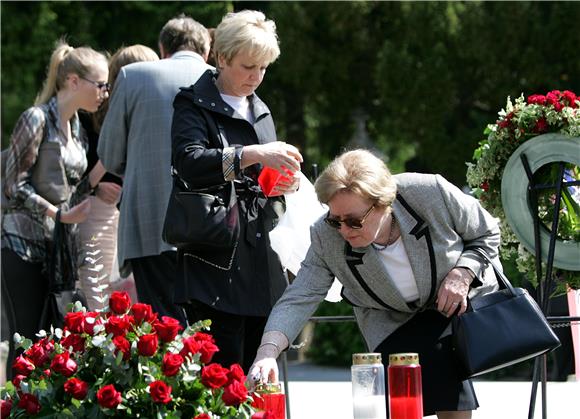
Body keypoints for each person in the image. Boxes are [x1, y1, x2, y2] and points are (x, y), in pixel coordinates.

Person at [249, 149, 502, 419]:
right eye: (335, 220)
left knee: (442, 356)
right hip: (392, 322)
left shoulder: (429, 192)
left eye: (354, 221)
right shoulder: (325, 235)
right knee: (409, 374)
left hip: (457, 308)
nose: (344, 230)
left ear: (383, 203)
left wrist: (463, 273)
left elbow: (486, 232)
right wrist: (267, 352)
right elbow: (300, 295)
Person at [171, 9, 303, 372]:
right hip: (214, 260)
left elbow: (262, 186)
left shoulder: (261, 110)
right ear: (222, 57)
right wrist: (254, 154)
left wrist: (282, 184)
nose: (256, 77)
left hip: (261, 264)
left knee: (260, 381)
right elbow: (189, 163)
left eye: (263, 68)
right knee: (222, 384)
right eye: (248, 66)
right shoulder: (191, 103)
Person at [1, 40, 109, 379]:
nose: (104, 93)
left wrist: (96, 185)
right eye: (101, 85)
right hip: (21, 246)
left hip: (57, 250)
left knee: (53, 341)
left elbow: (67, 188)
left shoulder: (78, 130)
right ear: (74, 81)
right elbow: (12, 186)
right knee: (25, 340)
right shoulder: (35, 119)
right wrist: (58, 214)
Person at [97, 15, 212, 326]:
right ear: (207, 50)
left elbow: (108, 154)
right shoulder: (221, 78)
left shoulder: (133, 76)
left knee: (164, 328)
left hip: (149, 221)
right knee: (209, 327)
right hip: (214, 226)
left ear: (163, 48)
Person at [78, 45, 159, 310]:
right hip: (98, 214)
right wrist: (97, 185)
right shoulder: (90, 115)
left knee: (135, 303)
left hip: (135, 214)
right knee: (99, 298)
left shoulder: (151, 113)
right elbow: (78, 173)